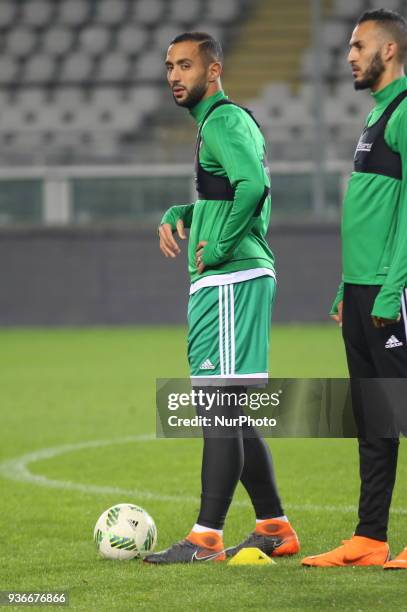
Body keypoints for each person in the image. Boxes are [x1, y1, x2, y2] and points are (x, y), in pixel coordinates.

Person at [144, 32, 299, 564]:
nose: (174, 76)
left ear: (214, 71)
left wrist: (219, 248)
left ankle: (205, 537)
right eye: (169, 66)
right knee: (230, 411)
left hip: (231, 279)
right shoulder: (216, 125)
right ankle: (274, 526)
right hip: (229, 279)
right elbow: (229, 194)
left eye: (185, 65)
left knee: (216, 408)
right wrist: (180, 214)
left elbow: (253, 187)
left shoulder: (225, 120)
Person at [302, 9, 407, 569]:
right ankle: (370, 538)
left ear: (388, 51)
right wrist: (349, 285)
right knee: (374, 417)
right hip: (366, 290)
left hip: (394, 292)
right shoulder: (378, 116)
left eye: (358, 45)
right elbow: (372, 212)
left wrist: (392, 289)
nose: (349, 55)